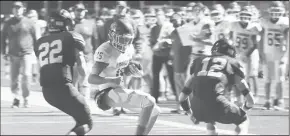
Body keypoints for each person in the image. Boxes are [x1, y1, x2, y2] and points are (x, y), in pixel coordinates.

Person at [88, 17, 160, 135]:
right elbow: (91, 78)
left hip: (120, 90)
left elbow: (122, 69)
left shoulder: (129, 49)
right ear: (112, 35)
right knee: (149, 101)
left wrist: (131, 70)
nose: (124, 43)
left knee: (155, 110)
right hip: (106, 93)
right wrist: (110, 80)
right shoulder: (105, 50)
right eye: (121, 39)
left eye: (127, 40)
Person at [34, 9, 93, 135]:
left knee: (79, 121)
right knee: (87, 123)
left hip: (47, 92)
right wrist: (86, 82)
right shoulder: (71, 37)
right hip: (64, 87)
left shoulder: (40, 42)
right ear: (64, 23)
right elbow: (81, 66)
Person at [179, 38, 255, 135]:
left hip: (197, 108)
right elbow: (251, 101)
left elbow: (182, 98)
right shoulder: (231, 63)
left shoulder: (199, 61)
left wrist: (191, 114)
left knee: (210, 118)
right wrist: (244, 110)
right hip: (217, 103)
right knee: (243, 120)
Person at [1, 1, 41, 108]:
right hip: (13, 54)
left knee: (26, 75)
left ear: (23, 9)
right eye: (15, 8)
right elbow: (3, 37)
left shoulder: (29, 22)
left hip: (26, 53)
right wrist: (3, 51)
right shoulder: (8, 23)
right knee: (14, 78)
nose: (17, 10)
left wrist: (37, 53)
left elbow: (36, 38)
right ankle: (16, 98)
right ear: (12, 9)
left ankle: (26, 97)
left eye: (19, 8)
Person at [229, 6, 262, 106]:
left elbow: (255, 44)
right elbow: (230, 38)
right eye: (242, 15)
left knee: (250, 76)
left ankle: (253, 97)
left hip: (250, 54)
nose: (244, 17)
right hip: (237, 53)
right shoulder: (234, 25)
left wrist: (246, 55)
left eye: (247, 15)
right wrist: (233, 51)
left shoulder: (254, 27)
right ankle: (239, 98)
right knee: (236, 77)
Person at [259, 1, 289, 110]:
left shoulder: (285, 22)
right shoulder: (265, 22)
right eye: (273, 11)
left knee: (280, 79)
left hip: (280, 54)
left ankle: (279, 100)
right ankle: (267, 101)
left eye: (278, 11)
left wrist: (286, 55)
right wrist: (261, 54)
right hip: (268, 54)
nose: (275, 13)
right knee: (267, 79)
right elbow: (261, 39)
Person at [72, 3, 99, 110]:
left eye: (81, 10)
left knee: (86, 80)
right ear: (74, 11)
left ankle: (85, 102)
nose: (80, 12)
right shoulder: (70, 24)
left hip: (88, 56)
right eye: (77, 10)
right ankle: (73, 102)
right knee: (73, 81)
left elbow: (96, 40)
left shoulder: (91, 23)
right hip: (72, 57)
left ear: (85, 11)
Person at [150, 10, 176, 104]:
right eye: (157, 15)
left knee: (171, 76)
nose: (158, 17)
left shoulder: (169, 27)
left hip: (167, 54)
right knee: (155, 76)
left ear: (164, 16)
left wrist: (164, 42)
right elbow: (152, 41)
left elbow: (173, 39)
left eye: (160, 15)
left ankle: (178, 97)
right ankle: (154, 97)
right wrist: (155, 46)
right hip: (157, 54)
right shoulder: (154, 28)